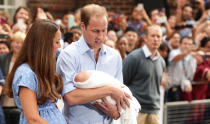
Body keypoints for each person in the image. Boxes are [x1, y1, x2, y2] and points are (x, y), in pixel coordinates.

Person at [56, 4, 130, 124]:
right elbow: (70, 97)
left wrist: (117, 113)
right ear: (83, 26)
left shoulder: (114, 56)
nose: (100, 36)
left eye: (104, 30)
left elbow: (120, 96)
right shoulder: (68, 55)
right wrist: (109, 90)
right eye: (95, 31)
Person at [4, 20, 66, 124]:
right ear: (44, 44)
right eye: (57, 42)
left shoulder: (41, 69)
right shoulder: (26, 73)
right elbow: (33, 118)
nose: (59, 46)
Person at [123, 24, 166, 124]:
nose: (155, 39)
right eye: (153, 36)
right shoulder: (134, 57)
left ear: (161, 40)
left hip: (154, 111)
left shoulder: (162, 62)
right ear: (145, 38)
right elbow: (122, 82)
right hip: (136, 110)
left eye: (158, 36)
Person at [74, 70, 140, 124]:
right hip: (80, 120)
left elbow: (120, 88)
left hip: (113, 117)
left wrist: (118, 114)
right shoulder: (70, 56)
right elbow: (70, 97)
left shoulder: (115, 57)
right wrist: (111, 90)